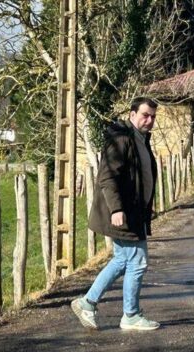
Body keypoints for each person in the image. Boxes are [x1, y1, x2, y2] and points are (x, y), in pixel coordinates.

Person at [71, 97, 160, 331]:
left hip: (133, 212)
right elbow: (107, 176)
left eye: (152, 117)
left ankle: (87, 303)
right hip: (122, 212)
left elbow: (138, 178)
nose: (149, 120)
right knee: (137, 262)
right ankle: (129, 314)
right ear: (132, 114)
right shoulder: (121, 137)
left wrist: (146, 206)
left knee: (123, 259)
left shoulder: (140, 138)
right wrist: (116, 208)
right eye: (145, 115)